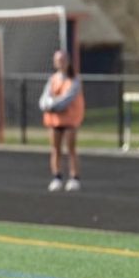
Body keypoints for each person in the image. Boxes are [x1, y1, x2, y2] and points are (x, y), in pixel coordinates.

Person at [39, 50, 85, 192]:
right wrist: (46, 105)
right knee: (55, 149)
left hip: (70, 119)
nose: (60, 62)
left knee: (71, 149)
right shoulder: (52, 79)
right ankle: (57, 177)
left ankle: (74, 177)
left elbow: (67, 99)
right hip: (54, 120)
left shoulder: (74, 80)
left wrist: (52, 105)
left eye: (62, 60)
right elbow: (44, 98)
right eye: (58, 60)